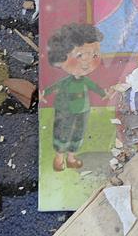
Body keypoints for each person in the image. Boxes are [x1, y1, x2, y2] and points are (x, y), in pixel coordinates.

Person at [42, 23, 107, 172]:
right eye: (80, 55)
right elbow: (52, 88)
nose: (87, 62)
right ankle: (59, 157)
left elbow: (95, 87)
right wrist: (43, 94)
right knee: (62, 132)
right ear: (61, 57)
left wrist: (105, 94)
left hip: (83, 110)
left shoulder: (85, 81)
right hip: (65, 110)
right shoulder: (65, 82)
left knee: (79, 132)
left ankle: (71, 157)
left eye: (94, 55)